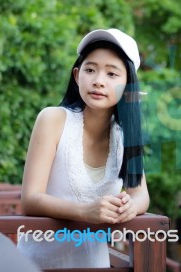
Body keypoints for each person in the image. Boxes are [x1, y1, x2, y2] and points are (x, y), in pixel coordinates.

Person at [17, 28, 150, 269]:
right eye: (90, 70)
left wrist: (131, 206)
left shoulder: (126, 137)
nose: (98, 80)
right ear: (77, 76)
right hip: (38, 263)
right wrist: (84, 211)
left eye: (112, 73)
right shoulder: (53, 120)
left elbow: (140, 194)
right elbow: (30, 199)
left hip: (94, 264)